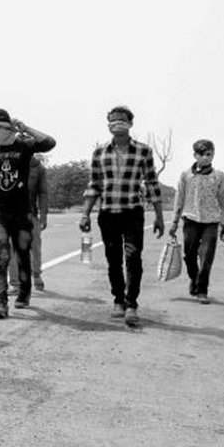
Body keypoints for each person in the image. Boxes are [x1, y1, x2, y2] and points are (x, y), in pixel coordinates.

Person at [80, 106, 165, 325]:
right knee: (113, 259)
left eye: (121, 120)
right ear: (108, 124)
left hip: (132, 212)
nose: (117, 123)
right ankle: (118, 299)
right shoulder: (100, 152)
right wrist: (85, 214)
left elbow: (152, 182)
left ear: (130, 124)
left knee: (133, 257)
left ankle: (131, 304)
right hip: (108, 213)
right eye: (113, 120)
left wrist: (158, 215)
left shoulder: (143, 151)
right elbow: (94, 184)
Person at [0, 109, 56, 319]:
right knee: (0, 256)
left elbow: (49, 143)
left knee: (22, 255)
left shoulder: (25, 146)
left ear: (7, 127)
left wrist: (25, 128)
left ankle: (24, 292)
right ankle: (0, 301)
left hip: (22, 212)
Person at [169, 139, 224, 305]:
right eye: (201, 154)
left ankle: (202, 290)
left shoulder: (219, 176)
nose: (205, 158)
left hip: (211, 221)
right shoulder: (186, 175)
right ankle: (194, 279)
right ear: (195, 155)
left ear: (213, 155)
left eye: (209, 154)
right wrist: (174, 222)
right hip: (190, 219)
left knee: (206, 255)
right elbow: (179, 198)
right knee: (189, 255)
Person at [8, 154, 48, 292]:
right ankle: (14, 283)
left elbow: (43, 193)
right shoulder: (7, 164)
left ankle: (36, 275)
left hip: (31, 214)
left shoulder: (38, 168)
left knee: (34, 247)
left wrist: (43, 215)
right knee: (12, 249)